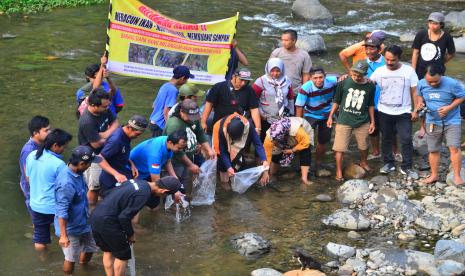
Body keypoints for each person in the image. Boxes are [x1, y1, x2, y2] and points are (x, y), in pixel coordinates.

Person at [90, 177, 182, 276]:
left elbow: (108, 194)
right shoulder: (143, 194)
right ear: (164, 191)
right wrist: (131, 234)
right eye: (165, 195)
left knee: (108, 251)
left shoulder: (138, 182)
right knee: (122, 256)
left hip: (96, 215)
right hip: (109, 222)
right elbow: (124, 217)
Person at [370, 45, 419, 178]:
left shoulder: (409, 71)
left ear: (399, 58)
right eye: (387, 59)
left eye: (393, 60)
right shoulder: (379, 71)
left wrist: (416, 109)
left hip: (404, 112)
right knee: (386, 139)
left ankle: (407, 166)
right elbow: (367, 84)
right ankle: (388, 163)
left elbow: (415, 92)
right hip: (384, 111)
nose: (389, 63)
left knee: (406, 139)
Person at [55, 146, 101, 275]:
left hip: (83, 222)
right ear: (81, 163)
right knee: (70, 258)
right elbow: (62, 210)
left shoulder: (78, 173)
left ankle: (84, 269)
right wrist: (63, 236)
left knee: (90, 248)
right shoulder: (66, 183)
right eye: (90, 163)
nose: (90, 166)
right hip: (70, 228)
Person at [416, 64, 465, 185]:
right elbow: (419, 96)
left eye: (435, 81)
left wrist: (449, 108)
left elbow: (462, 96)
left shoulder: (452, 83)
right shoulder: (421, 83)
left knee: (454, 148)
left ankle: (457, 176)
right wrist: (420, 104)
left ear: (442, 75)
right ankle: (434, 175)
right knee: (433, 150)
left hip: (452, 121)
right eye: (429, 82)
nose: (432, 84)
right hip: (432, 121)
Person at [327, 60, 376, 181]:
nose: (356, 77)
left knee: (364, 145)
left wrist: (373, 121)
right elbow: (336, 101)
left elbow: (370, 104)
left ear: (365, 74)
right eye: (354, 74)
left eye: (359, 75)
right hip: (344, 120)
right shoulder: (343, 82)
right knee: (339, 147)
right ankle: (338, 170)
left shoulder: (370, 85)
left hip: (362, 120)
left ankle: (364, 162)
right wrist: (330, 116)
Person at [25, 129, 73, 250]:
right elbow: (64, 188)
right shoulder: (58, 164)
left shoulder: (32, 155)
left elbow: (28, 178)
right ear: (55, 145)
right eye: (64, 147)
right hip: (53, 207)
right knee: (62, 234)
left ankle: (43, 259)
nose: (64, 149)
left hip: (35, 204)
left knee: (40, 237)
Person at [78, 89, 119, 205]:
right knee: (94, 187)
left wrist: (105, 134)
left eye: (108, 106)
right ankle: (91, 210)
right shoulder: (87, 121)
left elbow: (116, 122)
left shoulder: (104, 110)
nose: (107, 108)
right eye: (104, 106)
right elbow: (96, 144)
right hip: (92, 156)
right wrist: (110, 137)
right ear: (93, 106)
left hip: (104, 152)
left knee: (102, 183)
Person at [164, 99, 216, 189]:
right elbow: (177, 150)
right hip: (174, 161)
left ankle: (183, 200)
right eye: (189, 116)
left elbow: (200, 132)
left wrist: (209, 150)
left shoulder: (193, 118)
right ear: (181, 112)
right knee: (174, 184)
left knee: (185, 183)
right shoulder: (175, 125)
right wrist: (191, 165)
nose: (192, 119)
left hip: (188, 157)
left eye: (194, 116)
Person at [295, 67, 337, 172]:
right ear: (310, 78)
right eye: (315, 78)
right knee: (306, 140)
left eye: (321, 77)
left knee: (323, 141)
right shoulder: (305, 88)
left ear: (325, 76)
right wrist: (299, 124)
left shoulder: (332, 81)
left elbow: (348, 77)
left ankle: (318, 163)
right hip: (310, 113)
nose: (318, 80)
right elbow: (299, 106)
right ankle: (305, 165)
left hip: (327, 114)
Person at [212, 113, 269, 185]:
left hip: (235, 132)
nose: (234, 142)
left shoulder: (249, 126)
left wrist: (264, 160)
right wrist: (228, 167)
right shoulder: (221, 130)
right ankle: (225, 182)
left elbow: (258, 144)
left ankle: (235, 169)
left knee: (237, 158)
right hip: (219, 130)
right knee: (222, 161)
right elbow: (223, 151)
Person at [201, 67, 261, 135]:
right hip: (219, 125)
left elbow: (254, 109)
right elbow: (209, 104)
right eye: (241, 80)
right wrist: (203, 122)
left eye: (246, 81)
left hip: (239, 127)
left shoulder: (250, 90)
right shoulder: (219, 87)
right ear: (233, 77)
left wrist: (258, 128)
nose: (243, 83)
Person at [98, 115, 148, 195]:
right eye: (137, 134)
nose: (138, 137)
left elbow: (121, 152)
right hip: (111, 179)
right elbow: (100, 159)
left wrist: (131, 164)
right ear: (129, 128)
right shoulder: (116, 140)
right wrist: (116, 174)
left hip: (121, 171)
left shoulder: (126, 135)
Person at [252, 57, 293, 140]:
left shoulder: (287, 81)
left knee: (279, 141)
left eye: (278, 71)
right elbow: (253, 100)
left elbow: (290, 98)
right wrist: (261, 113)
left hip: (282, 118)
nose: (275, 73)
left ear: (282, 70)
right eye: (272, 71)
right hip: (265, 117)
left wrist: (291, 114)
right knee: (263, 140)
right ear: (268, 69)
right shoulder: (260, 81)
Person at [263, 117, 313, 185]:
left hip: (303, 132)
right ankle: (272, 173)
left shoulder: (298, 131)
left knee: (305, 151)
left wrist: (292, 150)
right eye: (273, 140)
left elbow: (306, 142)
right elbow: (267, 156)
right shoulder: (270, 136)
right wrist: (265, 172)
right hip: (284, 136)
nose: (273, 142)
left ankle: (304, 178)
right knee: (276, 153)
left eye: (275, 141)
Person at [149, 65, 194, 137]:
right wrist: (169, 128)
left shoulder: (165, 85)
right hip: (160, 125)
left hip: (153, 121)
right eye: (186, 79)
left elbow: (154, 104)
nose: (186, 82)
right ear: (182, 78)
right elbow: (166, 111)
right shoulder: (173, 90)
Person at [19, 115, 50, 215]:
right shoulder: (28, 151)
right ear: (36, 133)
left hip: (41, 187)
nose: (50, 133)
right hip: (33, 191)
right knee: (38, 220)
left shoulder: (42, 143)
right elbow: (29, 177)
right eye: (46, 131)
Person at [411, 12, 455, 80]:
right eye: (430, 23)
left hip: (437, 72)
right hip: (420, 70)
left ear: (441, 24)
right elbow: (415, 52)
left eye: (435, 23)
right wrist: (413, 70)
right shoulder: (421, 34)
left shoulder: (447, 37)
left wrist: (441, 62)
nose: (432, 26)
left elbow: (451, 54)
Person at [270, 29, 312, 97]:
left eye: (286, 40)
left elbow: (306, 74)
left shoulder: (304, 55)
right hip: (278, 90)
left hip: (296, 91)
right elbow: (269, 72)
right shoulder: (276, 53)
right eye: (282, 40)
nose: (283, 42)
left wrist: (304, 91)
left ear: (294, 41)